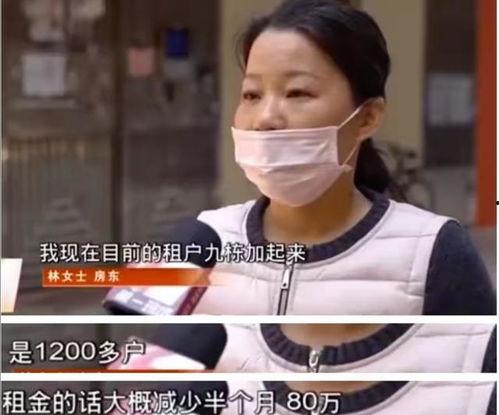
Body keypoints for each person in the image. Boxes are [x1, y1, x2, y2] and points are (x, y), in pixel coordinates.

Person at [188, 0, 495, 315]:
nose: (265, 118)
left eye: (297, 92)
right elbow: (156, 337)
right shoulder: (201, 241)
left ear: (367, 118)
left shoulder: (435, 254)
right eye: (252, 94)